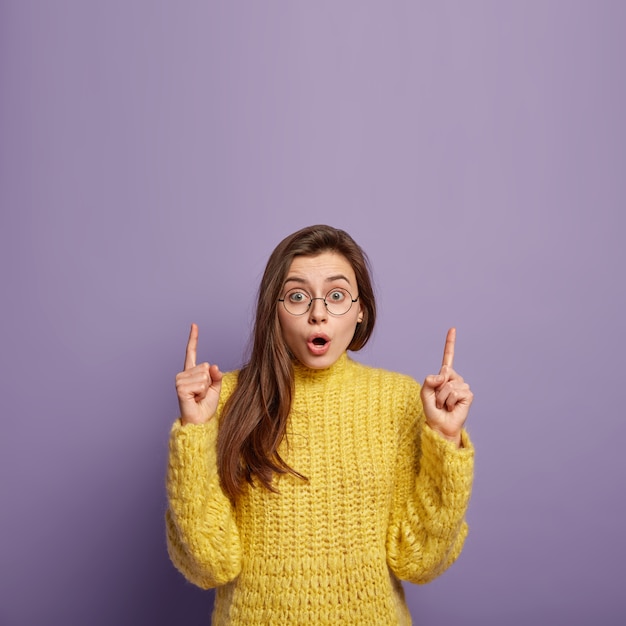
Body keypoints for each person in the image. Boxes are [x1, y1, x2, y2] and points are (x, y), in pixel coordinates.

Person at [166, 224, 474, 625]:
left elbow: (419, 561)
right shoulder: (221, 399)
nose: (318, 313)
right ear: (273, 310)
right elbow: (208, 565)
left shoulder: (401, 400)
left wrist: (446, 438)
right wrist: (194, 431)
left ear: (361, 309)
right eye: (297, 296)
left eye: (337, 296)